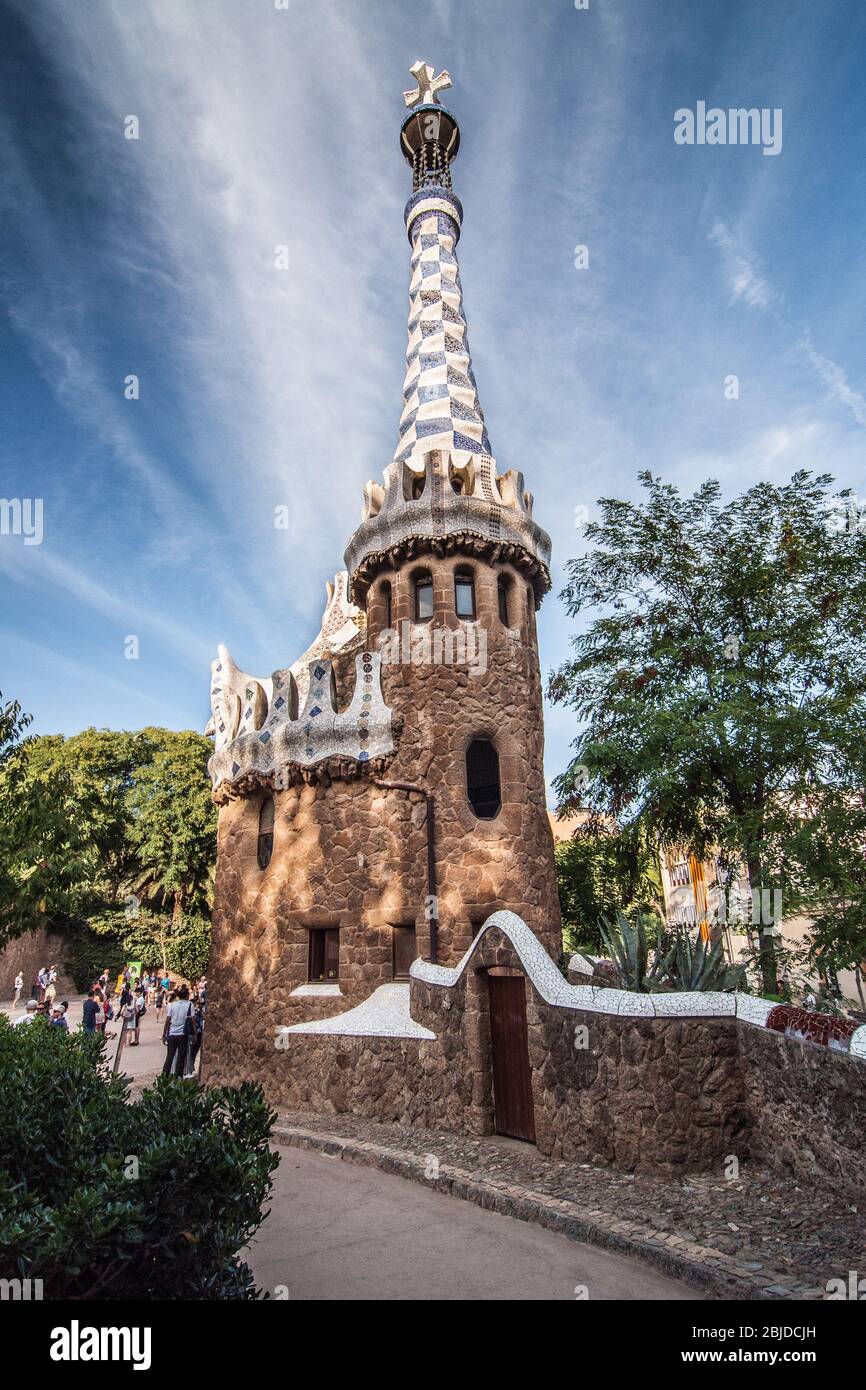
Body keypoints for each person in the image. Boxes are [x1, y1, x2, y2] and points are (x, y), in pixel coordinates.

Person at [162, 985, 192, 1077]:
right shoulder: (189, 1005)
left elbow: (168, 1020)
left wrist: (164, 1034)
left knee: (170, 1056)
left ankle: (164, 1076)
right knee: (181, 1057)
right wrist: (193, 1034)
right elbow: (193, 1021)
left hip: (172, 1033)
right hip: (183, 1034)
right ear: (186, 996)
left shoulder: (173, 1005)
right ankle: (178, 1076)